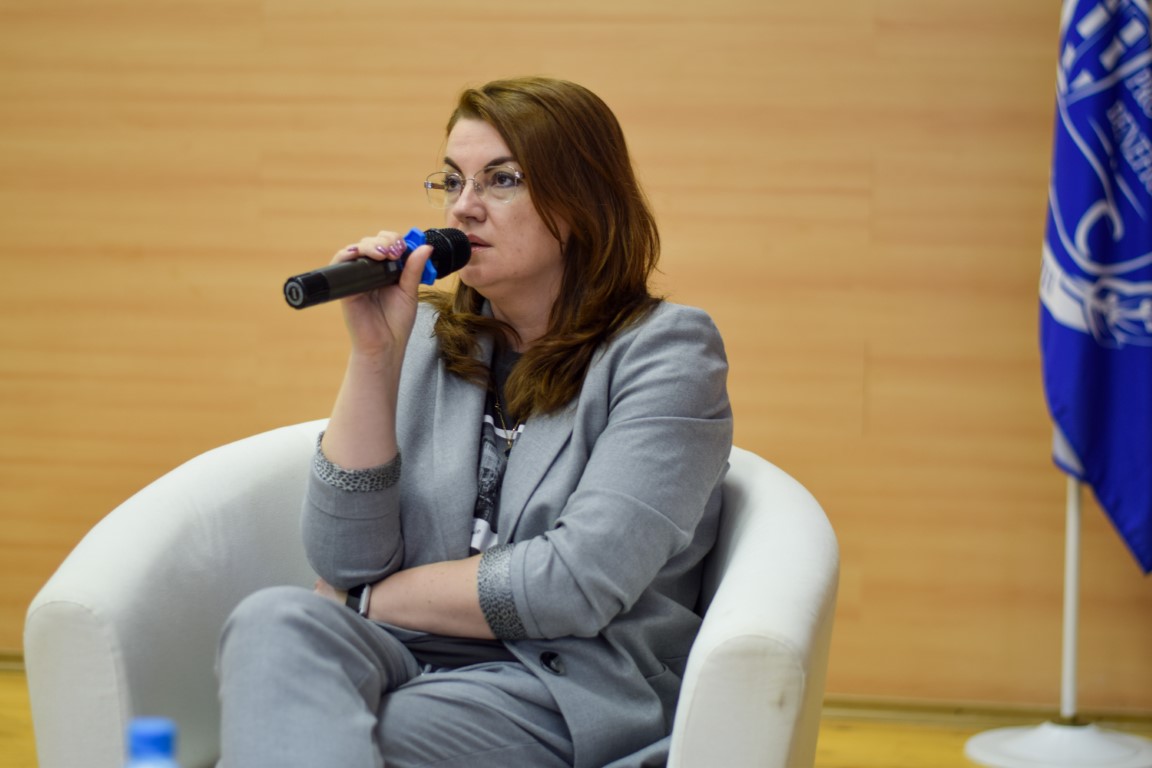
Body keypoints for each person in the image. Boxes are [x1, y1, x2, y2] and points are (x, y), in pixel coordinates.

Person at [216, 76, 733, 768]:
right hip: (411, 653)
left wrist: (367, 600)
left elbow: (574, 583)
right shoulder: (429, 336)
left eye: (501, 180)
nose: (464, 207)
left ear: (582, 202)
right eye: (454, 181)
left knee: (355, 733)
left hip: (561, 682)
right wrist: (374, 356)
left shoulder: (667, 353)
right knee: (273, 620)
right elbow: (341, 559)